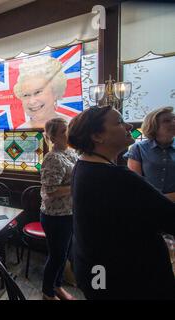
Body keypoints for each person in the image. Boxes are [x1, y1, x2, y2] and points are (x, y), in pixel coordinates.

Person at [68, 105, 175, 300]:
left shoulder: (83, 166)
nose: (127, 126)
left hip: (94, 271)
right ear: (97, 136)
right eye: (119, 122)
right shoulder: (117, 177)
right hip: (124, 280)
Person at [40, 118, 78, 300]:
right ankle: (47, 291)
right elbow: (51, 190)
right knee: (57, 256)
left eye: (68, 129)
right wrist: (77, 186)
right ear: (53, 137)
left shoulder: (71, 153)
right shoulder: (52, 158)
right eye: (63, 131)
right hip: (55, 216)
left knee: (64, 255)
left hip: (70, 213)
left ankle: (57, 286)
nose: (68, 133)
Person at [124, 106, 175, 202]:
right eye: (167, 121)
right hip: (147, 204)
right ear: (154, 126)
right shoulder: (138, 148)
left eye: (174, 119)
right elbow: (135, 184)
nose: (174, 123)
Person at [13, 55, 71, 128]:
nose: (32, 101)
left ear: (55, 93)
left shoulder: (71, 126)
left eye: (38, 92)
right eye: (26, 95)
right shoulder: (20, 129)